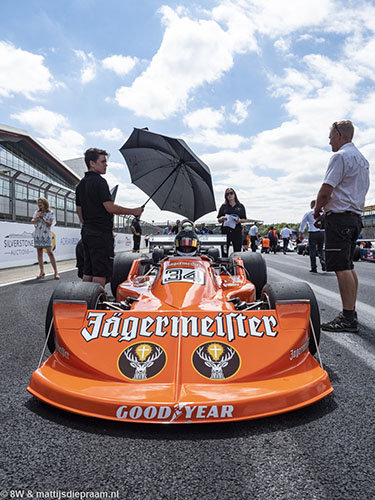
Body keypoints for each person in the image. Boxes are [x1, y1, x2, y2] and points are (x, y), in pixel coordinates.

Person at [314, 121, 370, 333]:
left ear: (338, 135)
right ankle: (351, 310)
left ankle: (347, 318)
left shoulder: (340, 157)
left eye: (330, 137)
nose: (329, 141)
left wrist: (318, 209)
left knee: (341, 267)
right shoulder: (363, 160)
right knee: (348, 265)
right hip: (355, 217)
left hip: (340, 220)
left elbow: (326, 189)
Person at [76, 148, 144, 287]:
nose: (106, 165)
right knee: (100, 272)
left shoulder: (81, 184)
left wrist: (89, 225)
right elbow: (110, 207)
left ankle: (85, 301)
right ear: (92, 163)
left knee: (88, 271)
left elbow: (79, 211)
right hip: (101, 233)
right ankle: (96, 305)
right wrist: (133, 211)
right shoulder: (100, 182)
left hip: (87, 232)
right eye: (103, 162)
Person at [31, 197, 60, 279]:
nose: (39, 204)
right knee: (39, 253)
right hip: (38, 234)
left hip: (46, 234)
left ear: (45, 203)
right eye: (38, 202)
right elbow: (32, 221)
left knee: (50, 252)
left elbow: (50, 224)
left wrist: (42, 219)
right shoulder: (36, 212)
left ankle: (56, 272)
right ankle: (42, 272)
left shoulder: (50, 213)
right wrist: (36, 218)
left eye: (41, 202)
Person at [217, 188, 247, 257]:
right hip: (225, 231)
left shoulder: (240, 206)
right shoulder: (223, 206)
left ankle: (236, 266)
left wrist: (239, 221)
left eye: (231, 193)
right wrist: (222, 218)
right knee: (224, 252)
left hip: (236, 231)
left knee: (237, 252)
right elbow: (218, 219)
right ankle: (224, 266)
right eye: (227, 194)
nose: (229, 195)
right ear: (225, 196)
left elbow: (244, 219)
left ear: (234, 194)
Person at [299, 200, 326, 273]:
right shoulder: (323, 213)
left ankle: (314, 267)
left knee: (312, 250)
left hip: (313, 232)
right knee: (320, 249)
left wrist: (301, 233)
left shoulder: (308, 213)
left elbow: (303, 223)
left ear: (312, 205)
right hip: (322, 232)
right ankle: (322, 259)